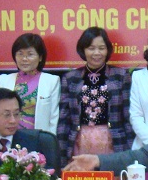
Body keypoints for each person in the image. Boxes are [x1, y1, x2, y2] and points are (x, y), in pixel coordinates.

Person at [57, 27, 134, 166]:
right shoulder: (70, 78)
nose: (97, 53)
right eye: (91, 48)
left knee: (110, 178)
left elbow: (127, 117)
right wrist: (61, 157)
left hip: (113, 143)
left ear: (107, 50)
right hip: (79, 142)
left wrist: (130, 153)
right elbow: (64, 121)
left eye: (101, 48)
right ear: (83, 50)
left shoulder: (121, 76)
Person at [0, 33, 60, 134]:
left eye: (30, 54)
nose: (24, 59)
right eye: (20, 54)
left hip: (39, 138)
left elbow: (54, 118)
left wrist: (50, 141)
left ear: (40, 57)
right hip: (10, 137)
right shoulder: (4, 80)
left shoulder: (51, 81)